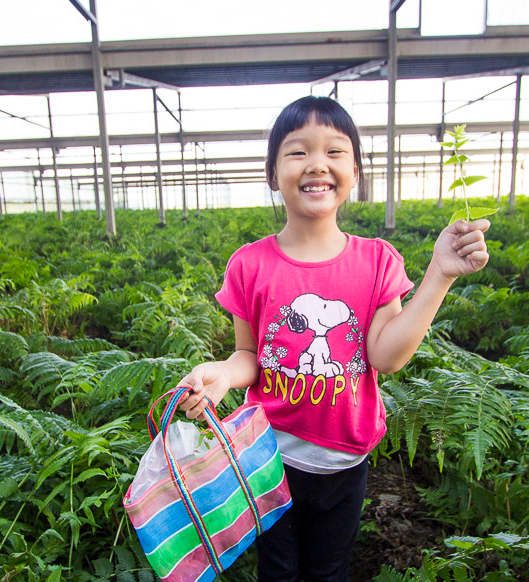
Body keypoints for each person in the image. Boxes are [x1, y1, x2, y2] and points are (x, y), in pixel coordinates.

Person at [178, 95, 490, 582]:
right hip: (266, 456)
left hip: (347, 459)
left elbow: (385, 358)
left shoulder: (377, 261)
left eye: (335, 151)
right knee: (278, 571)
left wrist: (440, 276)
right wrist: (220, 375)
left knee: (329, 570)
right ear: (273, 172)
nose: (316, 164)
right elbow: (248, 356)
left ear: (356, 172)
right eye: (298, 151)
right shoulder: (249, 265)